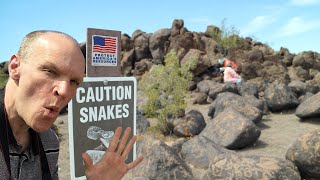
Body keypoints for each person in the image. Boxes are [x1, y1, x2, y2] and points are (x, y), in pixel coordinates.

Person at [0, 30, 143, 179]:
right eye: (50, 71)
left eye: (74, 82)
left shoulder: (49, 141)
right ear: (15, 67)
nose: (64, 91)